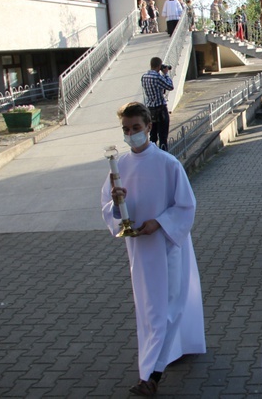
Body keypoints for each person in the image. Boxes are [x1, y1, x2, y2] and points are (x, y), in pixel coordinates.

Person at [101, 102, 206, 397]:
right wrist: (117, 202)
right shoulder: (120, 166)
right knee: (149, 311)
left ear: (149, 126)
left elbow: (185, 205)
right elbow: (111, 209)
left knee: (167, 309)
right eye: (126, 129)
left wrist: (159, 223)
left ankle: (151, 376)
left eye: (136, 128)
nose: (131, 134)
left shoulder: (167, 164)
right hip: (140, 250)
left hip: (167, 246)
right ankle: (162, 356)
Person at [141, 57, 174, 151]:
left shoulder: (144, 76)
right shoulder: (157, 77)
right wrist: (166, 74)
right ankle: (163, 155)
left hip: (150, 110)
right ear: (159, 66)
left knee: (153, 136)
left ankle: (152, 154)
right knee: (163, 136)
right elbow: (170, 86)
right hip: (160, 109)